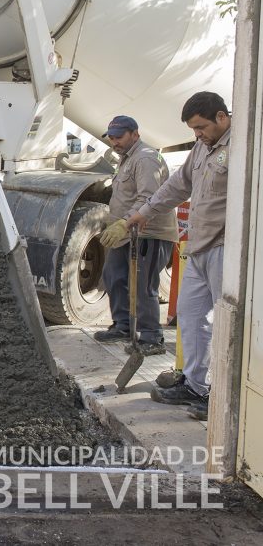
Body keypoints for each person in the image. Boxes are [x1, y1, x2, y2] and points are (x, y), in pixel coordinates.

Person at [126, 91, 230, 420]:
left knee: (226, 325)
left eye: (201, 127)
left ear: (222, 118)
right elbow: (177, 185)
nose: (197, 134)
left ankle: (221, 395)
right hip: (198, 246)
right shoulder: (201, 148)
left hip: (226, 247)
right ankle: (196, 385)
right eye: (193, 129)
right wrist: (144, 211)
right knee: (190, 316)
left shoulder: (243, 146)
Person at [95, 116, 177, 355]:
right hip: (126, 232)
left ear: (135, 134)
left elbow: (148, 199)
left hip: (148, 233)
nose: (114, 142)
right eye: (111, 137)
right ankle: (123, 325)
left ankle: (152, 337)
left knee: (142, 285)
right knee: (114, 276)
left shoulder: (146, 159)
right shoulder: (128, 159)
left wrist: (124, 221)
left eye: (119, 137)